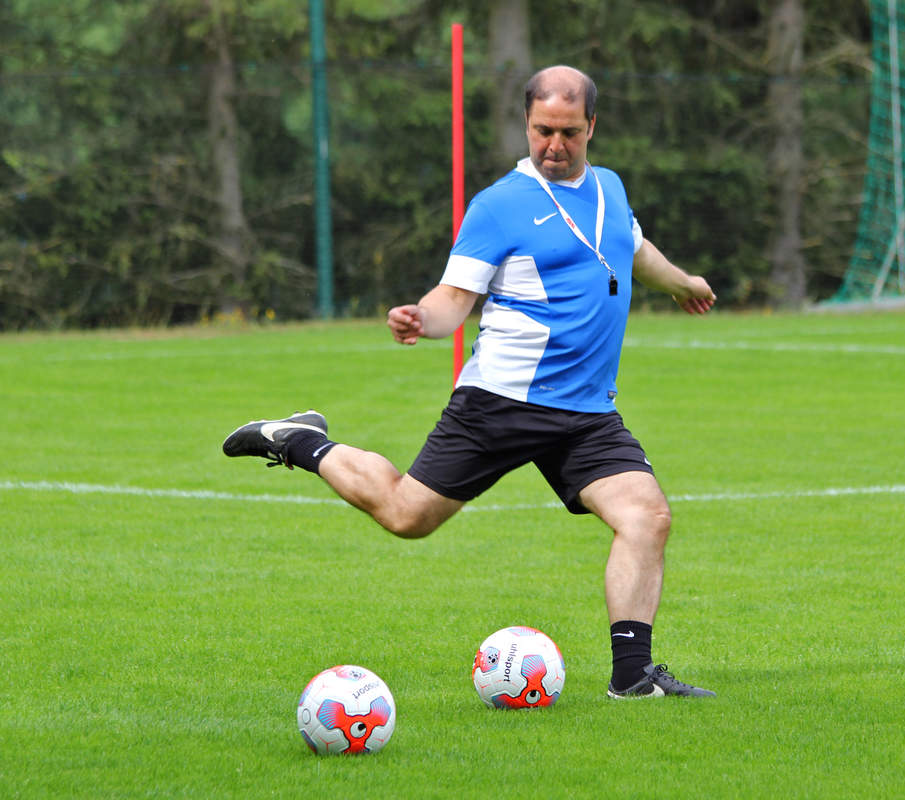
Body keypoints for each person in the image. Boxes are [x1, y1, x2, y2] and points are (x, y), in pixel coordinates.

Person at [224, 65, 716, 699]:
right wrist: (421, 320)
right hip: (501, 403)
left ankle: (633, 677)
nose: (555, 145)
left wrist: (683, 283)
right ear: (527, 124)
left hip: (587, 411)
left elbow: (632, 249)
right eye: (543, 131)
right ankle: (299, 442)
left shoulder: (610, 190)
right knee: (407, 517)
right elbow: (454, 298)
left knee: (647, 517)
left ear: (592, 126)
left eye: (569, 132)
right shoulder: (500, 205)